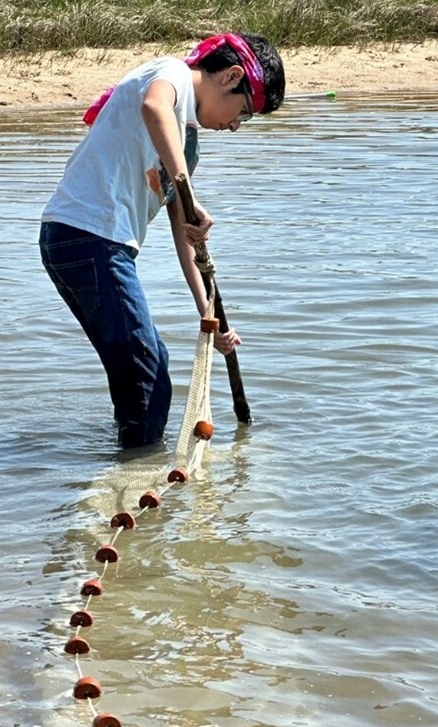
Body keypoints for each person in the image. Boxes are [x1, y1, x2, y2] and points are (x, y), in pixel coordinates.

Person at [39, 33, 286, 447]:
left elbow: (184, 234)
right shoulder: (170, 73)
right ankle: (135, 477)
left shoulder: (186, 145)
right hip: (88, 236)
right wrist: (188, 189)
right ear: (231, 76)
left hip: (84, 243)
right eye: (242, 112)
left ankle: (124, 464)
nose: (234, 126)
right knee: (147, 373)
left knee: (144, 368)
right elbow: (153, 107)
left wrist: (209, 317)